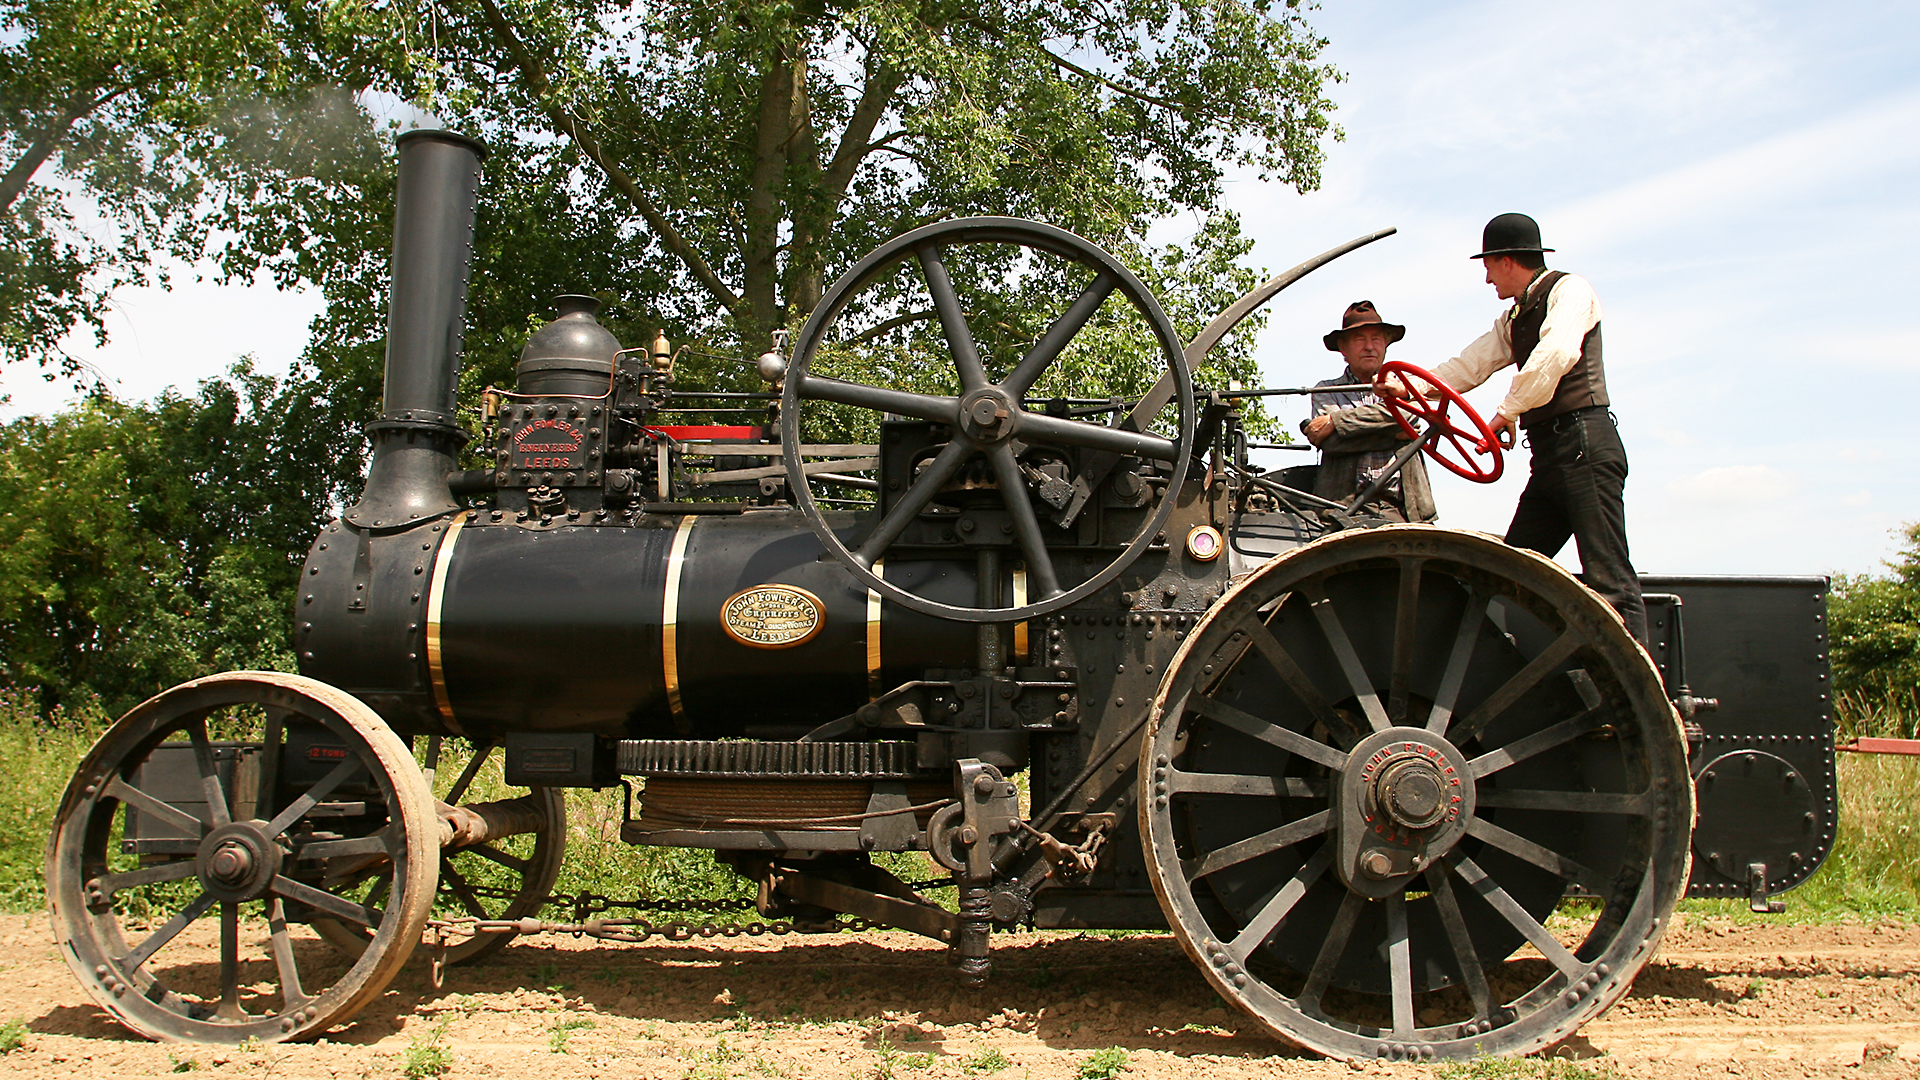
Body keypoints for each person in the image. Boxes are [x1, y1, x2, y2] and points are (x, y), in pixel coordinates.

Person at [1422, 213, 1648, 643]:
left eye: (1487, 266)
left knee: (1610, 582)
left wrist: (1506, 412)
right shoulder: (1514, 318)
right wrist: (1402, 385)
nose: (1486, 279)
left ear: (1507, 261)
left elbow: (1556, 353)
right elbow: (1468, 366)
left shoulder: (1570, 291)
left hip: (1585, 445)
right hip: (1551, 458)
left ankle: (1641, 705)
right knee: (1511, 572)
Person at [1301, 301, 1436, 522]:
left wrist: (1337, 421)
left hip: (1402, 511)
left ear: (1386, 344)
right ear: (1343, 348)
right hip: (1343, 512)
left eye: (1376, 338)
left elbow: (1407, 416)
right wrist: (1395, 434)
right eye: (1360, 339)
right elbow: (1332, 443)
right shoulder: (1326, 390)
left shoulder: (1405, 385)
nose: (1369, 346)